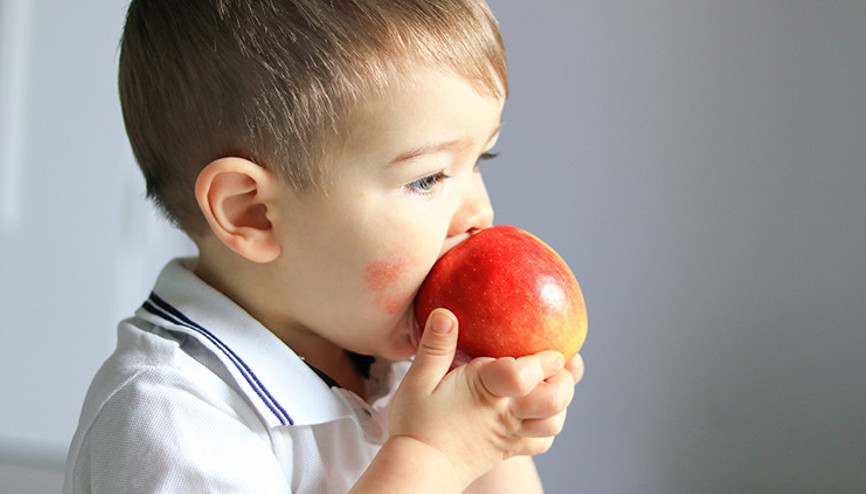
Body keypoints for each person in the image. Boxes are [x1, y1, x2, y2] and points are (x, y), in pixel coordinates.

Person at [64, 0, 584, 492]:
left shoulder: (391, 351)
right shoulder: (169, 419)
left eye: (481, 162)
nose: (481, 213)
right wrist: (433, 455)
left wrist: (499, 436)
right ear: (254, 213)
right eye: (427, 179)